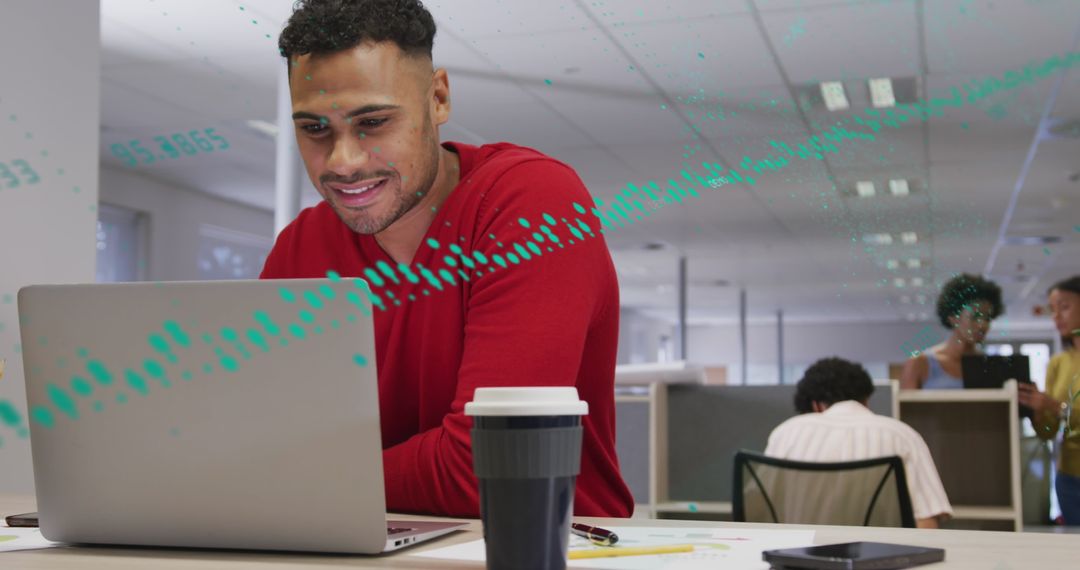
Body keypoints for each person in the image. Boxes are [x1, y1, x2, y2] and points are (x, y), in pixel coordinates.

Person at [260, 0, 633, 517]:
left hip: (539, 545)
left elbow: (490, 468)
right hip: (355, 541)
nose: (343, 162)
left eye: (372, 121)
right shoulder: (299, 249)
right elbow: (261, 452)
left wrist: (296, 481)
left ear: (437, 98)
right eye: (315, 129)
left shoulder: (533, 203)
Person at [766, 357, 953, 528]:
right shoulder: (901, 435)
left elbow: (761, 506)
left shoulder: (786, 433)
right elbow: (927, 517)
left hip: (798, 557)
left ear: (815, 405)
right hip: (881, 558)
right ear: (865, 399)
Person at [1019, 276, 1080, 524]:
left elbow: (1062, 412)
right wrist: (1037, 410)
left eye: (1064, 307)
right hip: (1068, 477)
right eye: (1052, 310)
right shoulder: (1058, 362)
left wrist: (1057, 407)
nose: (1056, 316)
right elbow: (1048, 432)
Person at [900, 273, 1004, 390]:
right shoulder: (920, 363)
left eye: (987, 318)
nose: (982, 325)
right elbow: (905, 408)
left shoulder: (991, 368)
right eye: (975, 317)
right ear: (953, 318)